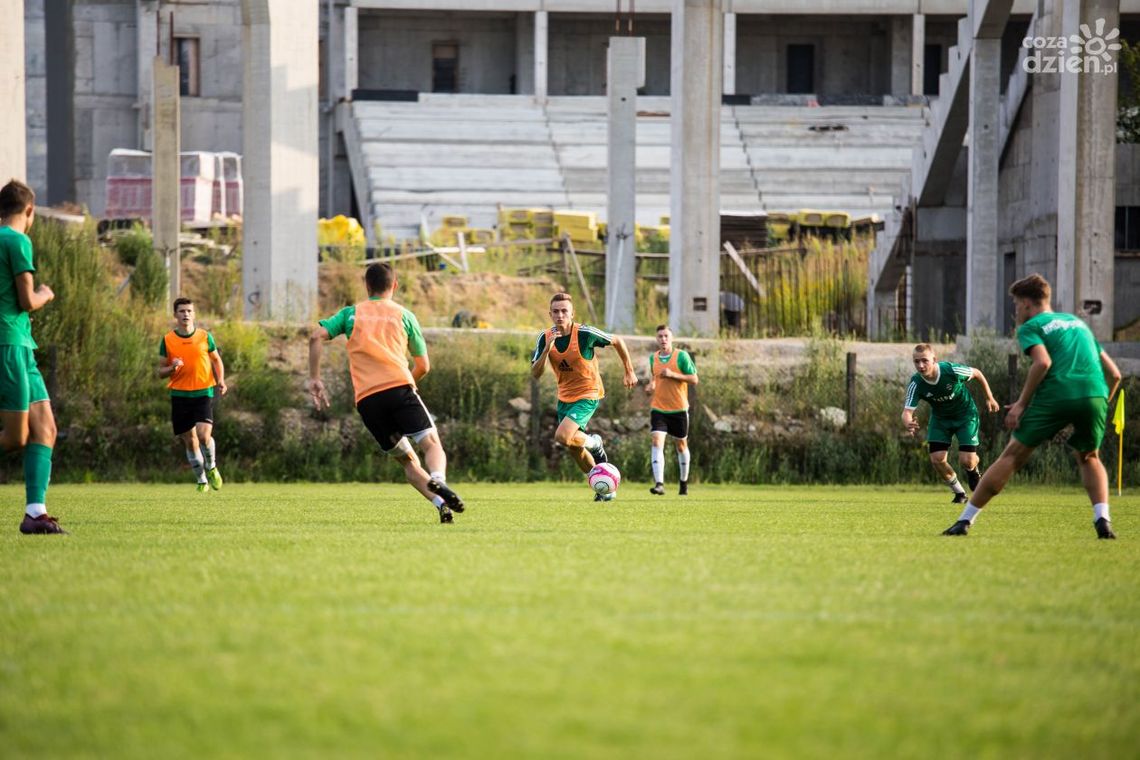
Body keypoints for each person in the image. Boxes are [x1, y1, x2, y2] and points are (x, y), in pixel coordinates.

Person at [943, 274, 1123, 538]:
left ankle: (964, 521)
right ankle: (1103, 520)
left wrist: (1021, 404)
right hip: (1095, 394)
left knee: (1011, 456)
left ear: (1027, 303)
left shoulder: (1032, 326)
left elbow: (1043, 362)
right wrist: (1099, 403)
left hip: (1057, 393)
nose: (1016, 311)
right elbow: (1115, 374)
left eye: (1016, 304)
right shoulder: (1078, 324)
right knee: (1089, 457)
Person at [308, 262, 464, 524]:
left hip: (368, 402)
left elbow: (315, 337)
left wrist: (315, 379)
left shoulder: (351, 314)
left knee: (408, 462)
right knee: (431, 444)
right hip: (399, 390)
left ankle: (441, 505)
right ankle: (438, 481)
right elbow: (424, 366)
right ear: (395, 285)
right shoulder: (404, 315)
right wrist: (407, 383)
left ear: (367, 286)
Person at [530, 292, 637, 500]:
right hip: (565, 397)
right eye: (556, 312)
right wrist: (546, 350)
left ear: (572, 313)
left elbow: (617, 341)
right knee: (573, 447)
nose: (560, 315)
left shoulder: (585, 333)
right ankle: (603, 488)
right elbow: (535, 373)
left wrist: (629, 371)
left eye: (564, 311)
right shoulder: (545, 337)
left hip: (588, 393)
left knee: (562, 437)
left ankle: (595, 444)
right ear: (550, 314)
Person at [0, 179, 62, 534]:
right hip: (8, 345)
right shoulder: (17, 240)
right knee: (15, 438)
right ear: (29, 210)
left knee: (46, 428)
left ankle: (35, 514)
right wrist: (45, 294)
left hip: (22, 345)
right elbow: (27, 300)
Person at [902, 343, 999, 503]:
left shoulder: (951, 370)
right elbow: (907, 412)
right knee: (937, 459)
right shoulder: (916, 383)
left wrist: (989, 397)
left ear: (934, 360)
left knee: (967, 461)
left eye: (925, 360)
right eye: (916, 361)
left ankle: (973, 470)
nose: (920, 365)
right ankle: (960, 493)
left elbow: (977, 373)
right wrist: (908, 423)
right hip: (940, 419)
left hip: (965, 415)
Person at [157, 297, 227, 492]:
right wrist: (172, 367)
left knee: (204, 436)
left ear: (194, 314)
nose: (185, 314)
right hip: (180, 396)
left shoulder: (205, 337)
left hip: (203, 392)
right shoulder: (168, 340)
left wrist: (221, 380)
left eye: (189, 311)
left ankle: (211, 467)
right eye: (182, 311)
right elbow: (160, 372)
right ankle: (201, 480)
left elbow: (216, 360)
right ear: (175, 315)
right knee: (190, 441)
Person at [644, 325, 698, 496]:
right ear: (656, 339)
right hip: (658, 408)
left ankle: (683, 483)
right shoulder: (653, 358)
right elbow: (654, 378)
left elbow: (694, 379)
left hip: (679, 409)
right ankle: (659, 484)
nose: (663, 339)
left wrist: (672, 375)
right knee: (656, 442)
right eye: (660, 336)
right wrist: (651, 386)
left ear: (672, 338)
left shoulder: (681, 356)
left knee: (681, 446)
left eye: (666, 336)